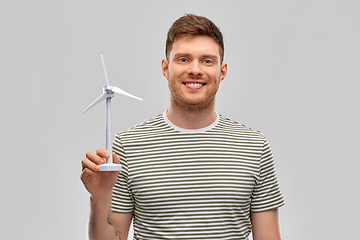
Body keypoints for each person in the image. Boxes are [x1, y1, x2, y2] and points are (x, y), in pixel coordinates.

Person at [81, 14, 285, 240]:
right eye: (183, 59)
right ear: (166, 68)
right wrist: (99, 199)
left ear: (222, 72)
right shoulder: (128, 146)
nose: (195, 70)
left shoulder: (254, 147)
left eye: (207, 61)